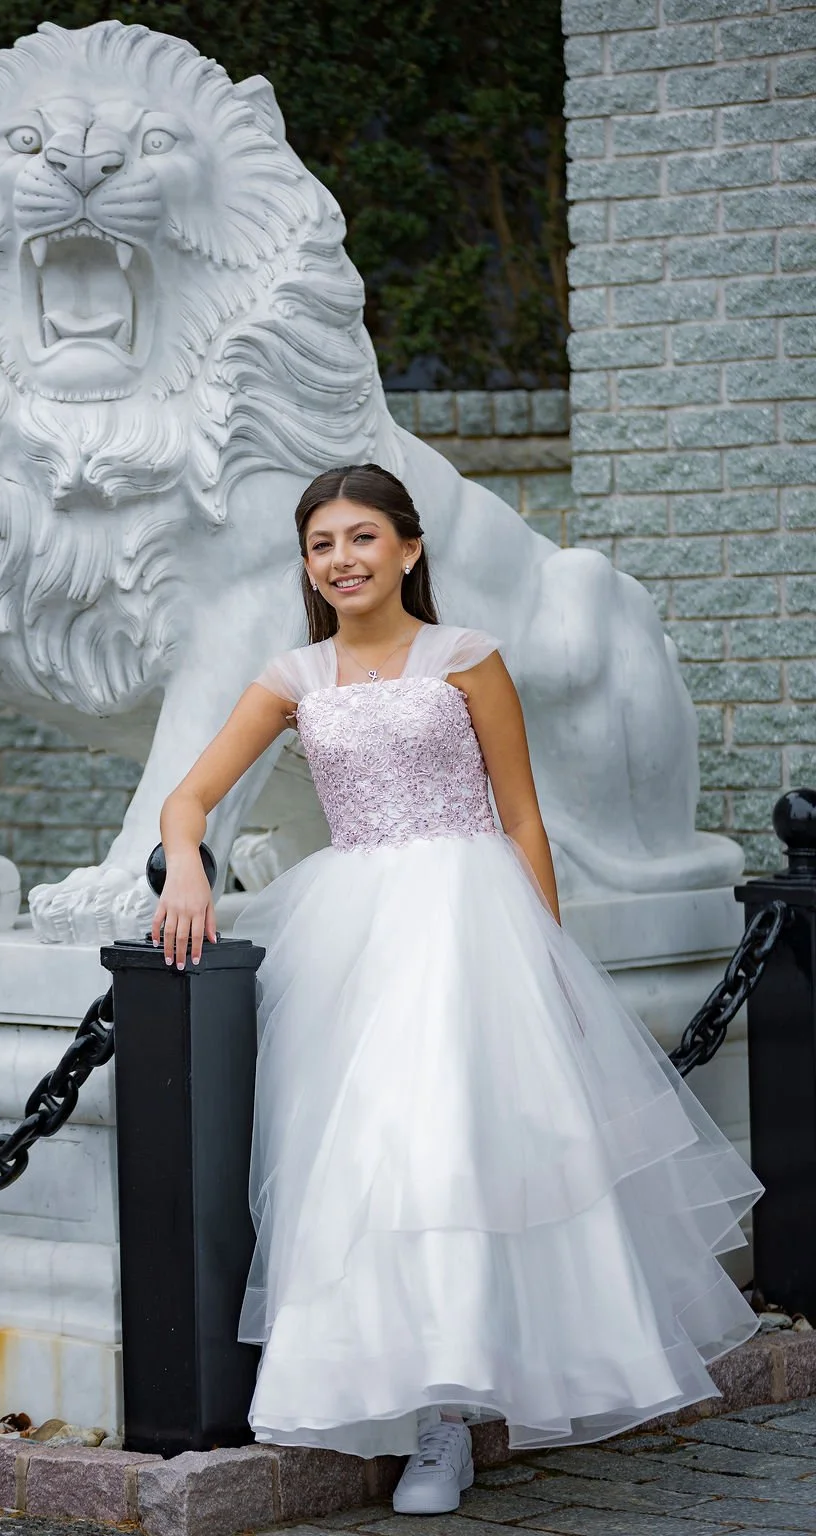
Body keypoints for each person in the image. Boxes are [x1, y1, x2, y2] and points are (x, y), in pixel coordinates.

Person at [152, 462, 762, 1516]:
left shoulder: (466, 658)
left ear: (408, 548)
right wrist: (190, 862)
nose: (341, 560)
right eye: (320, 545)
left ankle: (456, 1417)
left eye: (360, 538)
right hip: (350, 934)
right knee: (365, 1158)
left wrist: (546, 959)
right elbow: (188, 797)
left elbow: (522, 818)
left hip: (469, 918)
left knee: (464, 1153)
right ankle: (390, 1386)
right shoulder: (296, 677)